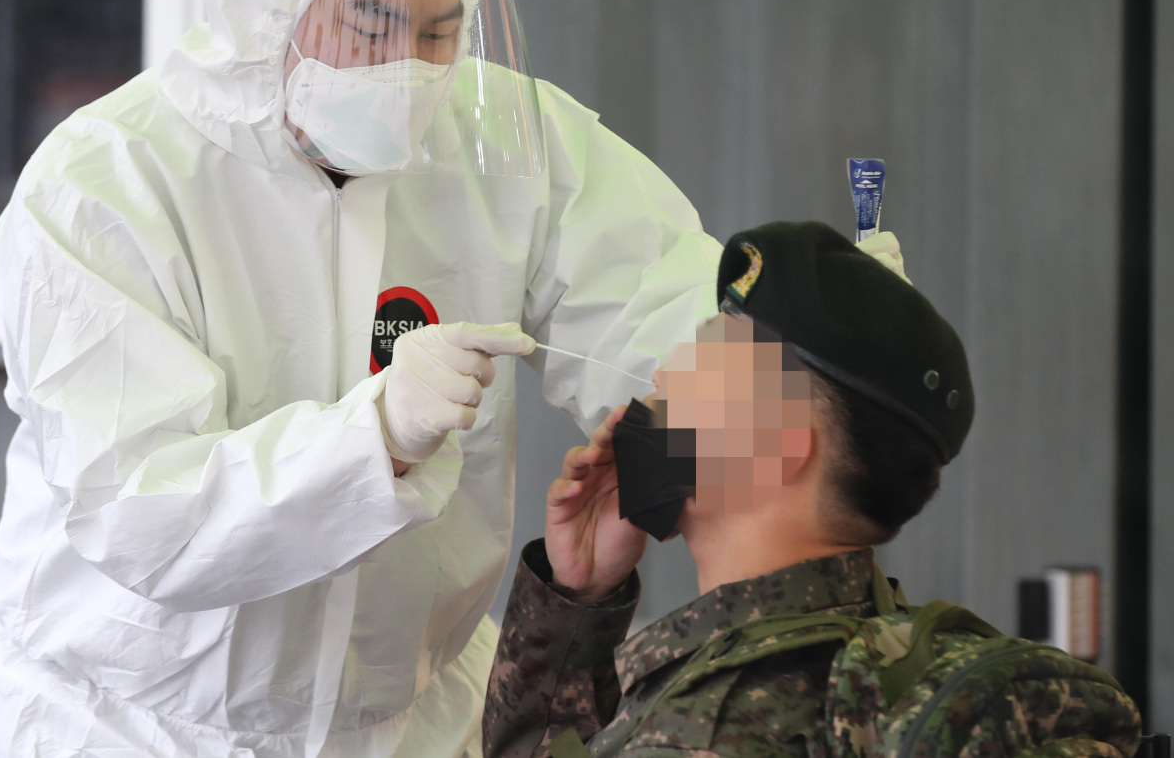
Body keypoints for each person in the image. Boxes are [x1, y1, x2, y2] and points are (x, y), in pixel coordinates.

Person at [0, 0, 906, 756]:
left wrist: (810, 355)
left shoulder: (502, 140)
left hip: (410, 725)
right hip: (134, 730)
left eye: (440, 30)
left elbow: (666, 324)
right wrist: (372, 437)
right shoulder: (107, 188)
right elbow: (144, 512)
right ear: (269, 0)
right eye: (372, 22)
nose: (409, 69)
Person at [484, 221, 1139, 758]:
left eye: (707, 355)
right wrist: (580, 594)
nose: (664, 373)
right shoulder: (897, 673)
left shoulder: (703, 726)